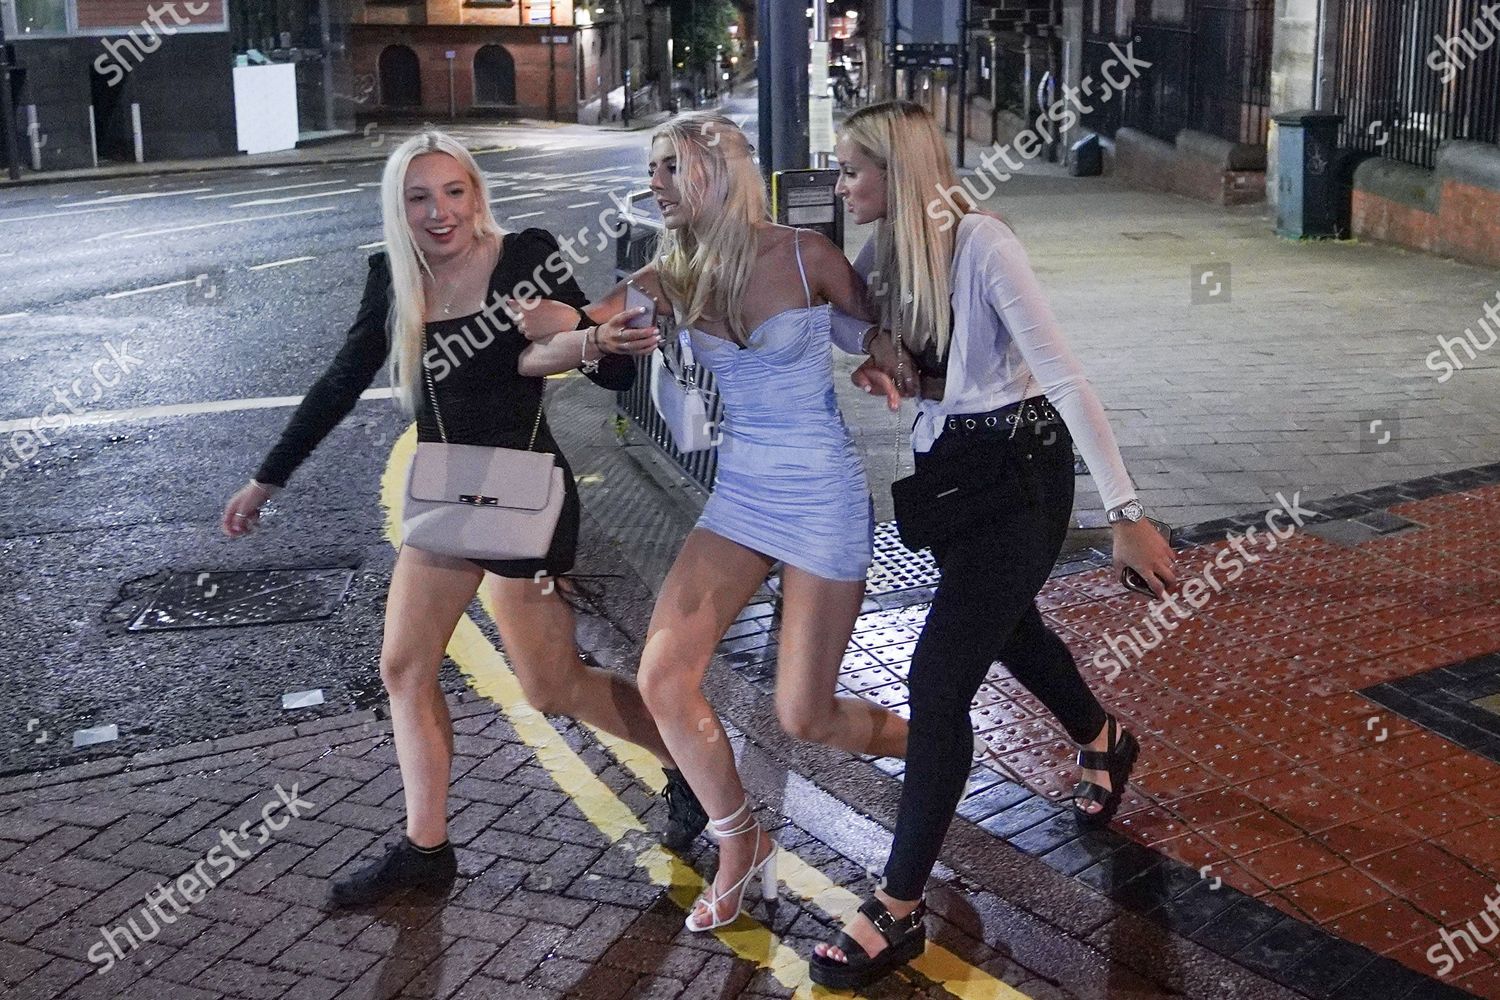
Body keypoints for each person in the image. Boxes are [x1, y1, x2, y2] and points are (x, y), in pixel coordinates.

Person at [220, 131, 708, 909]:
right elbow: (342, 380)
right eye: (419, 197)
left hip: (527, 496)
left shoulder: (523, 256)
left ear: (475, 194)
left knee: (551, 686)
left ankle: (689, 764)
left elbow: (606, 360)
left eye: (453, 192)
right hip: (448, 493)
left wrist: (590, 334)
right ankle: (426, 848)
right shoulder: (394, 277)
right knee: (403, 668)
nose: (439, 212)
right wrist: (265, 479)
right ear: (399, 208)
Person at [808, 101, 1179, 989]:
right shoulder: (885, 253)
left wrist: (1125, 510)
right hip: (952, 478)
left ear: (898, 175)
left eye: (854, 168)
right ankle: (1103, 737)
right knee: (1010, 631)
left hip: (1022, 477)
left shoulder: (983, 245)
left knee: (937, 678)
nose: (841, 183)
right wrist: (879, 346)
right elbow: (835, 317)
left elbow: (1064, 375)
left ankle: (897, 907)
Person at [513, 111, 910, 934]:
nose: (651, 183)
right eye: (650, 168)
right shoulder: (669, 275)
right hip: (742, 496)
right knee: (663, 678)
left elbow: (889, 331)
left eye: (666, 168)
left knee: (807, 716)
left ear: (713, 171)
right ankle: (741, 840)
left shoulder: (807, 256)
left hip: (823, 492)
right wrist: (585, 338)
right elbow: (539, 343)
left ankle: (937, 751)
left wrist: (880, 351)